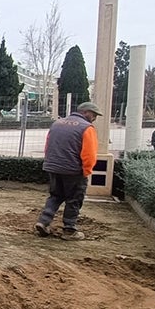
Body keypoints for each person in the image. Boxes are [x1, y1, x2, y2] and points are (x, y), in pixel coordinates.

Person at [34, 101, 101, 241]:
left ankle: (43, 221)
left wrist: (50, 163)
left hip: (53, 166)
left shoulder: (57, 124)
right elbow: (89, 154)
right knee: (74, 199)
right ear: (85, 112)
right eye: (93, 115)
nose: (94, 118)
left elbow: (48, 146)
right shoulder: (87, 128)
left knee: (55, 195)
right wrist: (86, 171)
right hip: (73, 170)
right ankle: (69, 230)